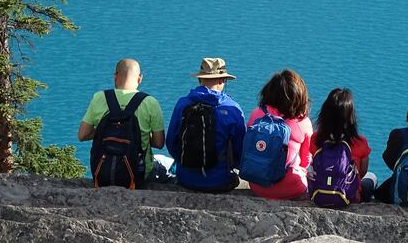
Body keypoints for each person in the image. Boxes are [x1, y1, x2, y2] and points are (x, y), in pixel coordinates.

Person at [78, 58, 172, 187]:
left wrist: (107, 131)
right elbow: (159, 143)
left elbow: (82, 135)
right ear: (140, 79)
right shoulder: (150, 102)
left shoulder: (99, 97)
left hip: (102, 173)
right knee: (167, 164)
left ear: (115, 76)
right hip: (138, 174)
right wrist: (138, 135)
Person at [165, 57, 246, 192]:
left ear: (199, 79)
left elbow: (171, 143)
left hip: (185, 179)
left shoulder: (182, 104)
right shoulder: (233, 109)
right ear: (222, 80)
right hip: (219, 181)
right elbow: (240, 150)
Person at [245, 69, 314, 200]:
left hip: (257, 185)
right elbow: (306, 160)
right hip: (292, 187)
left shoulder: (257, 114)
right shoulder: (302, 122)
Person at [309, 87, 376, 204]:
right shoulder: (360, 142)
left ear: (324, 115)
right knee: (372, 177)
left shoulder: (315, 139)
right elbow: (362, 172)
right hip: (349, 197)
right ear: (350, 118)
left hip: (318, 194)